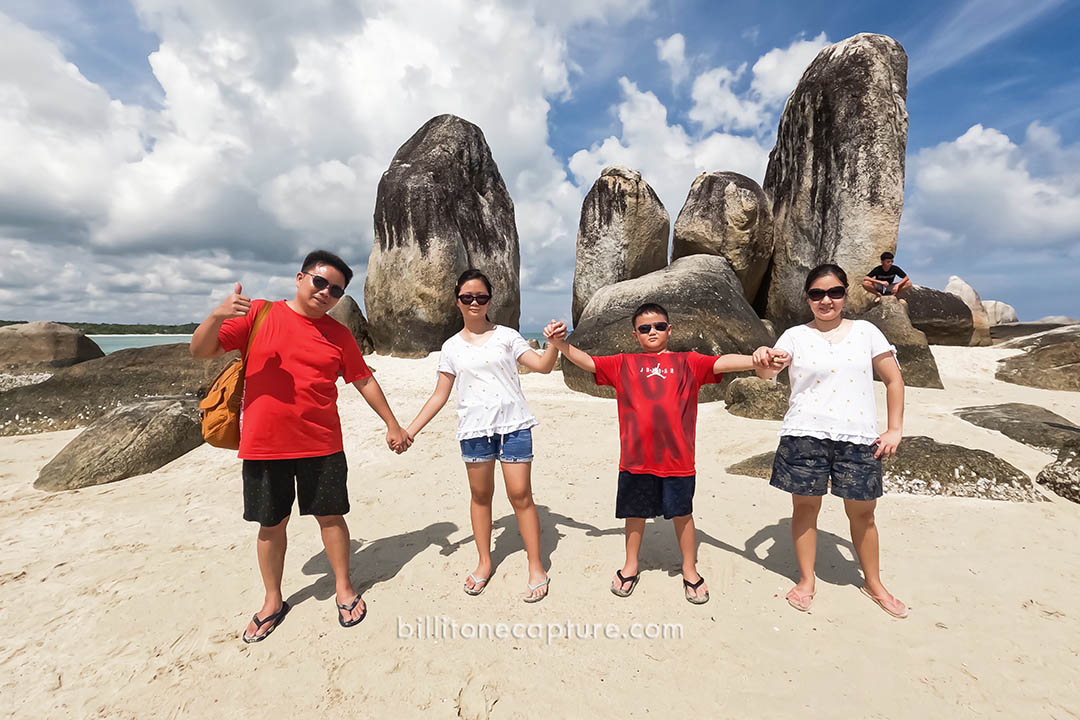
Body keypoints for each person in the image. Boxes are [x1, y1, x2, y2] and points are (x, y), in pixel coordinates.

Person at [190, 250, 412, 643]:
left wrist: (392, 423)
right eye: (320, 282)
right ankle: (272, 600)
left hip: (322, 444)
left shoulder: (339, 334)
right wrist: (218, 315)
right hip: (263, 446)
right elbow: (201, 350)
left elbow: (363, 380)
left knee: (331, 517)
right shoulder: (260, 314)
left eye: (336, 290)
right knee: (271, 525)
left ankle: (344, 588)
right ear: (300, 278)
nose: (326, 292)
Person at [546, 303, 786, 604]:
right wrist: (560, 344)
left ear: (669, 330)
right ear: (635, 335)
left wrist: (754, 358)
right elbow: (590, 363)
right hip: (635, 459)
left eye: (659, 326)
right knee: (634, 514)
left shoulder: (688, 362)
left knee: (682, 514)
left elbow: (721, 362)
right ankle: (630, 564)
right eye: (645, 328)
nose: (653, 332)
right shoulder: (623, 363)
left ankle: (690, 568)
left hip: (678, 460)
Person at [756, 263, 908, 618]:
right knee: (805, 509)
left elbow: (894, 380)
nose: (826, 300)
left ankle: (874, 583)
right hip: (804, 435)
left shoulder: (866, 332)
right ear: (808, 298)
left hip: (859, 437)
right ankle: (806, 579)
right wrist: (763, 359)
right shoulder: (794, 336)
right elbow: (767, 374)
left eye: (834, 292)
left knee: (864, 513)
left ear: (845, 294)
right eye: (817, 294)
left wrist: (894, 429)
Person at [404, 269, 564, 602]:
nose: (474, 302)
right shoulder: (450, 347)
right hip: (474, 430)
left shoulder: (507, 336)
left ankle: (536, 565)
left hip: (514, 425)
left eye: (481, 297)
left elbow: (543, 366)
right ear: (457, 301)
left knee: (520, 495)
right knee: (480, 496)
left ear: (490, 300)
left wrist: (555, 345)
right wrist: (410, 430)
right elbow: (440, 395)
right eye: (467, 298)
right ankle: (484, 561)